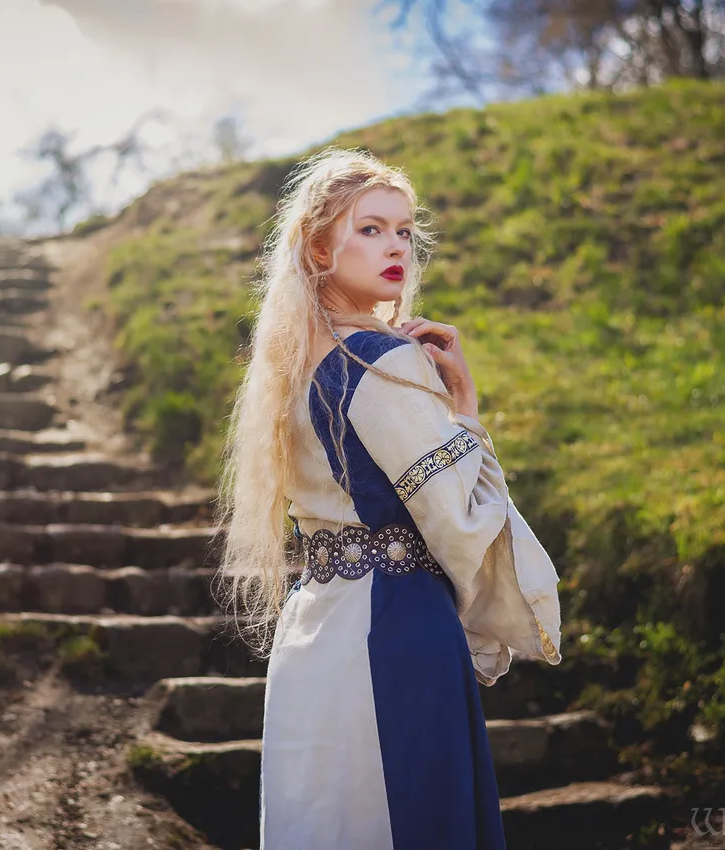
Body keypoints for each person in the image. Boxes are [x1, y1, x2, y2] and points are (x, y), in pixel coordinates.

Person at [210, 146, 564, 850]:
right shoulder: (385, 360)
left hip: (315, 633)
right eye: (369, 229)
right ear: (319, 246)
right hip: (395, 632)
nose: (395, 246)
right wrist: (465, 407)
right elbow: (461, 521)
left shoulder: (297, 364)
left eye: (403, 230)